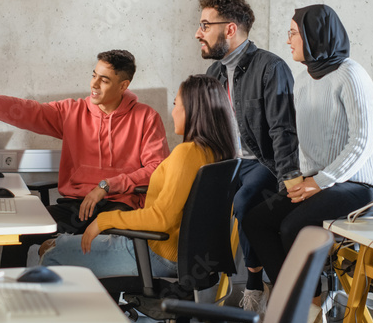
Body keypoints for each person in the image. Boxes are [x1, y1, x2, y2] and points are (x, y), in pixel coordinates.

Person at [242, 4, 373, 323]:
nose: (288, 39)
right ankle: (300, 308)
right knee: (256, 221)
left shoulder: (351, 75)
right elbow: (301, 141)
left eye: (293, 32)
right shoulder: (304, 80)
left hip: (362, 186)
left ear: (314, 36)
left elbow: (362, 141)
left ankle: (310, 308)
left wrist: (318, 183)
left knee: (294, 225)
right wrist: (296, 181)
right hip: (321, 183)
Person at [0, 50, 170, 264]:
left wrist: (107, 185)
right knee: (19, 230)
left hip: (118, 208)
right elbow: (27, 111)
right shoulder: (72, 112)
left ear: (123, 86)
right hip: (75, 208)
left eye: (105, 80)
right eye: (94, 75)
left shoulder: (146, 118)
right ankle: (8, 297)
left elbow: (157, 168)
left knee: (98, 249)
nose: (94, 84)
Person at [39, 74, 236, 278]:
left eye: (177, 104)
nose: (173, 111)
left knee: (51, 252)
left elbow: (160, 218)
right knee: (54, 245)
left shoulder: (187, 153)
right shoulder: (216, 153)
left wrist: (103, 221)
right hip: (189, 255)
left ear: (194, 110)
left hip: (159, 253)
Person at [197, 0, 299, 323]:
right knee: (199, 200)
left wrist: (289, 180)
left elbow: (283, 130)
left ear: (230, 29)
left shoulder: (271, 67)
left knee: (244, 201)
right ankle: (201, 297)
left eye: (205, 25)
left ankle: (255, 287)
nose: (199, 33)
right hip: (231, 163)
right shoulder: (214, 72)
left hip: (266, 164)